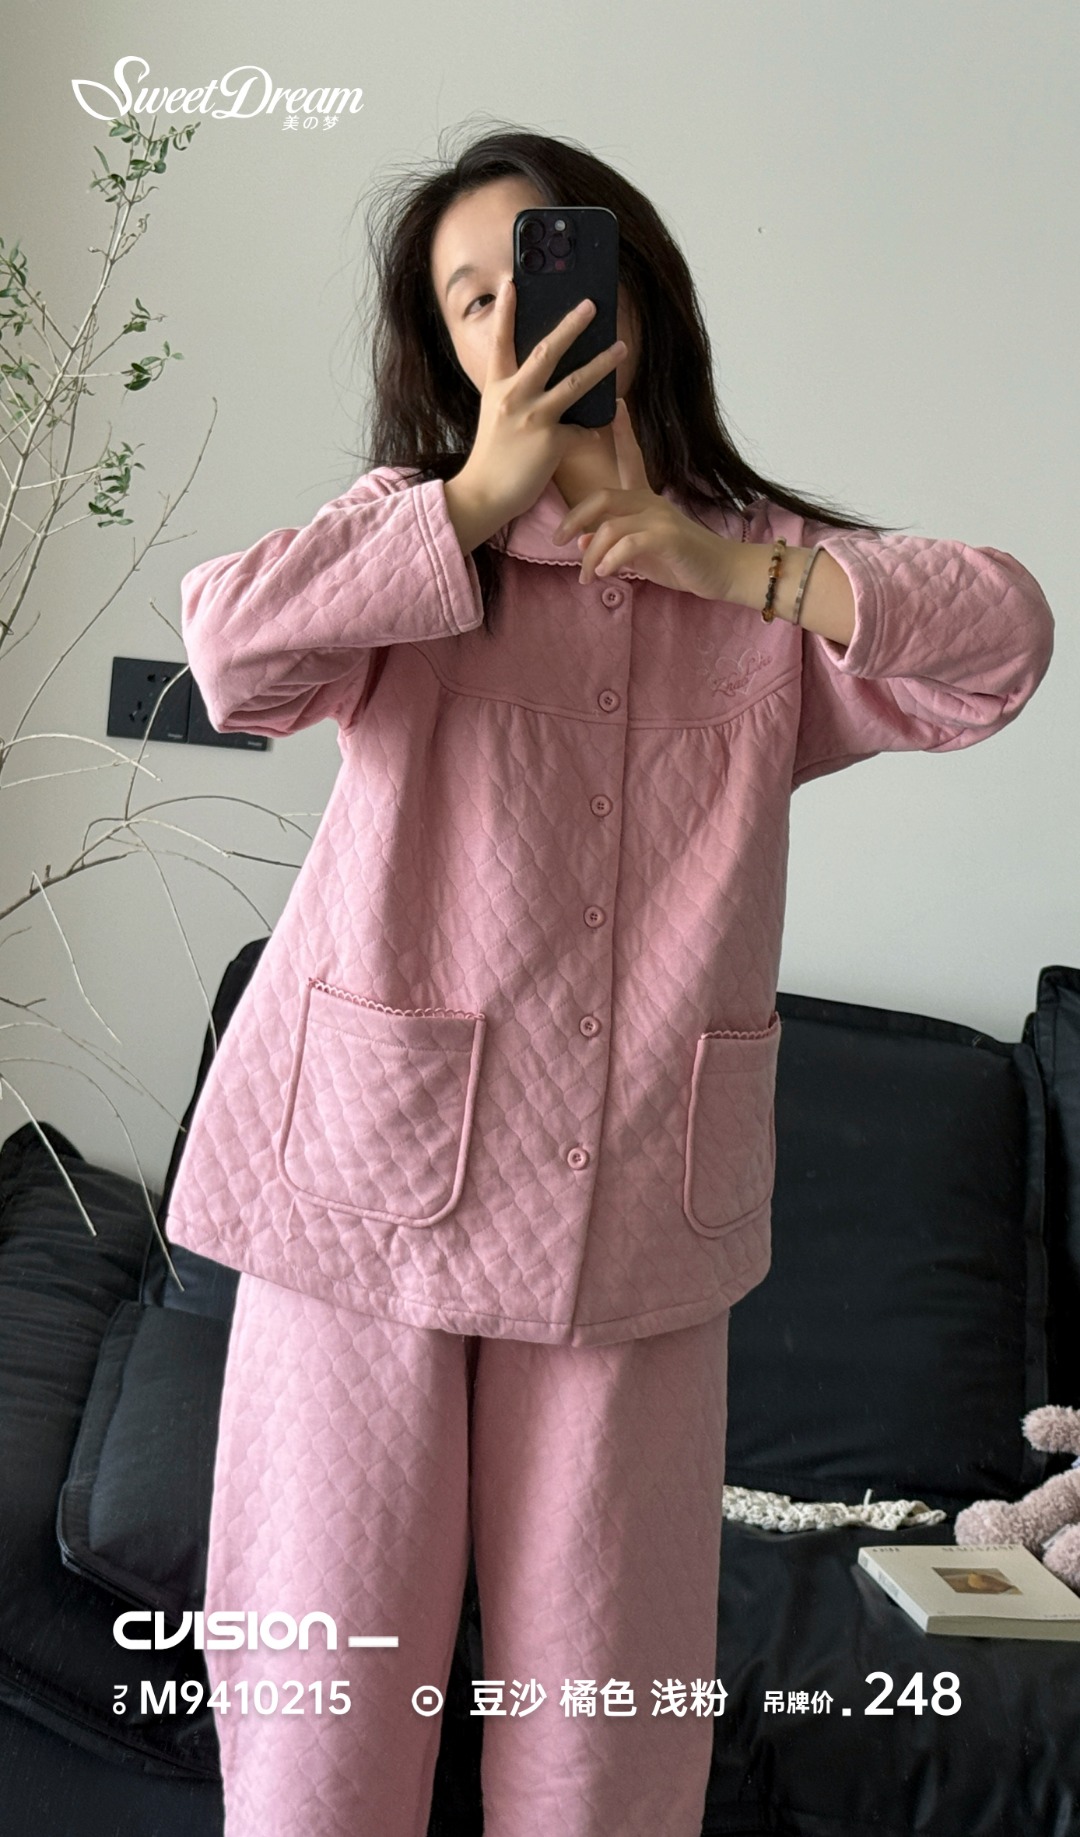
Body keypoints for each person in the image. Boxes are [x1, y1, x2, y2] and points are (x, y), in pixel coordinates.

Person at [163, 124, 1055, 1837]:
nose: (513, 315)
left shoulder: (762, 581)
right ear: (448, 354)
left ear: (629, 291)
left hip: (632, 1214)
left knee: (607, 1745)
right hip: (367, 1200)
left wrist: (730, 566)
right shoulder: (405, 544)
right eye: (469, 299)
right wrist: (470, 506)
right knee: (318, 1729)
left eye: (539, 267)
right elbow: (229, 651)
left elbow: (1003, 641)